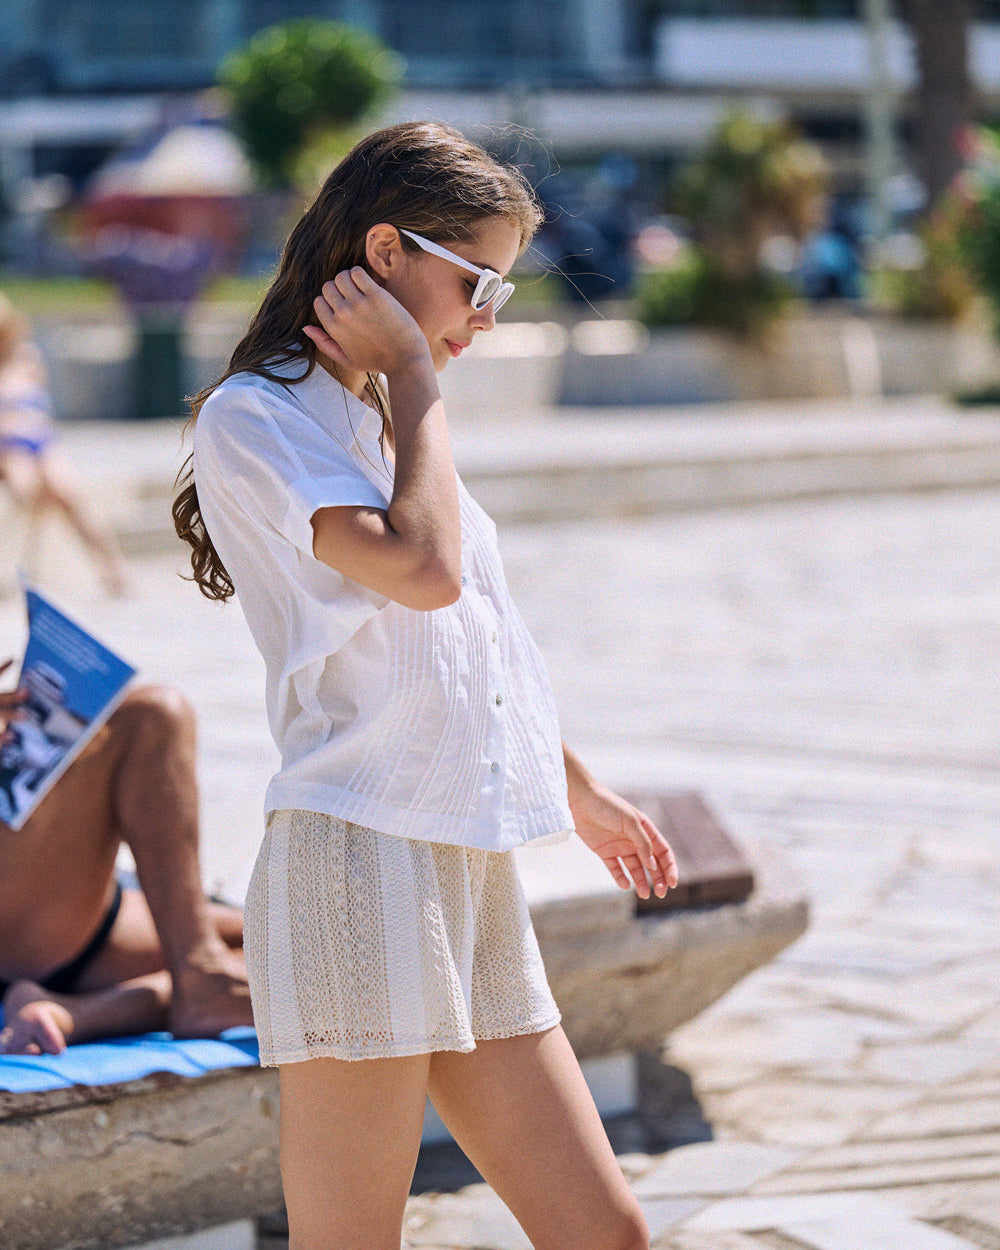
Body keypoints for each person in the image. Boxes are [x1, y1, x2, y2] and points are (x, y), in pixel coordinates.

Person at [173, 121, 678, 1250]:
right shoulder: (257, 416)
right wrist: (411, 370)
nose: (486, 317)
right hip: (354, 857)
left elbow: (471, 650)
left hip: (461, 861)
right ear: (386, 250)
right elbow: (428, 575)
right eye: (477, 281)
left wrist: (578, 788)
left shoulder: (376, 417)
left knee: (607, 1232)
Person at [0, 661, 252, 1055]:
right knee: (152, 716)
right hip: (27, 920)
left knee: (282, 943)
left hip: (53, 915)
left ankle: (71, 1014)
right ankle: (199, 972)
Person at [0, 294, 128, 596]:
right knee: (26, 486)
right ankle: (24, 570)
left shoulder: (26, 357)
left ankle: (113, 569)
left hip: (40, 439)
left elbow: (43, 406)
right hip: (7, 445)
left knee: (66, 489)